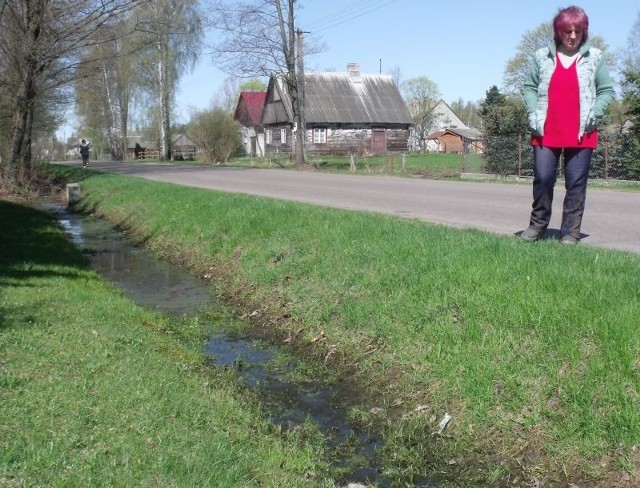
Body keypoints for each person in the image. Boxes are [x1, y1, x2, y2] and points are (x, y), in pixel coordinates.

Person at [520, 5, 614, 244]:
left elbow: (606, 90)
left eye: (578, 31)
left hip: (582, 131)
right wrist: (532, 111)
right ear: (558, 31)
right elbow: (529, 87)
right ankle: (537, 225)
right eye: (567, 31)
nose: (572, 36)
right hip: (546, 129)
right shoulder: (541, 57)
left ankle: (570, 232)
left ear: (584, 32)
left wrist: (597, 110)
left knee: (576, 183)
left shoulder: (596, 57)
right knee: (542, 178)